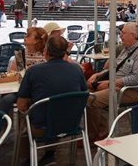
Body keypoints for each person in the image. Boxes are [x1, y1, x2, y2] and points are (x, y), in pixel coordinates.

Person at [17, 35, 88, 165]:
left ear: (46, 51)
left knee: (25, 115)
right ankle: (49, 153)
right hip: (72, 123)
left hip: (42, 127)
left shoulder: (34, 71)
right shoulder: (76, 69)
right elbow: (84, 93)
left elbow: (21, 105)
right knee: (52, 109)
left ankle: (26, 158)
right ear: (64, 52)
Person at [86, 22, 138, 141]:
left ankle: (95, 135)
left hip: (131, 91)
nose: (120, 35)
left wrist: (112, 84)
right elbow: (114, 68)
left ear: (132, 35)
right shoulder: (126, 49)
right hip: (116, 85)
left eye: (123, 33)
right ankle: (101, 129)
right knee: (84, 92)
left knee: (89, 99)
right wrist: (98, 75)